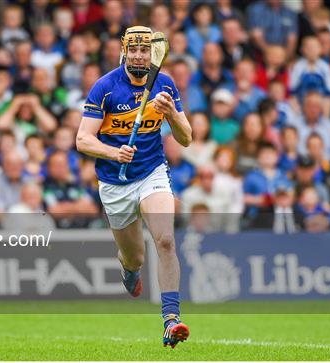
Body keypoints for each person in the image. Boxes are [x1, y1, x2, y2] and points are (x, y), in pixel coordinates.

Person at [76, 26, 191, 348]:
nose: (140, 55)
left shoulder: (165, 84)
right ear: (125, 51)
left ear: (152, 53)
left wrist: (172, 116)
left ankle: (171, 319)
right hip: (114, 183)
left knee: (165, 240)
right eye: (135, 50)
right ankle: (128, 270)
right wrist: (114, 152)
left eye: (146, 50)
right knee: (134, 257)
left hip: (152, 171)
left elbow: (187, 138)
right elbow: (82, 139)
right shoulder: (106, 87)